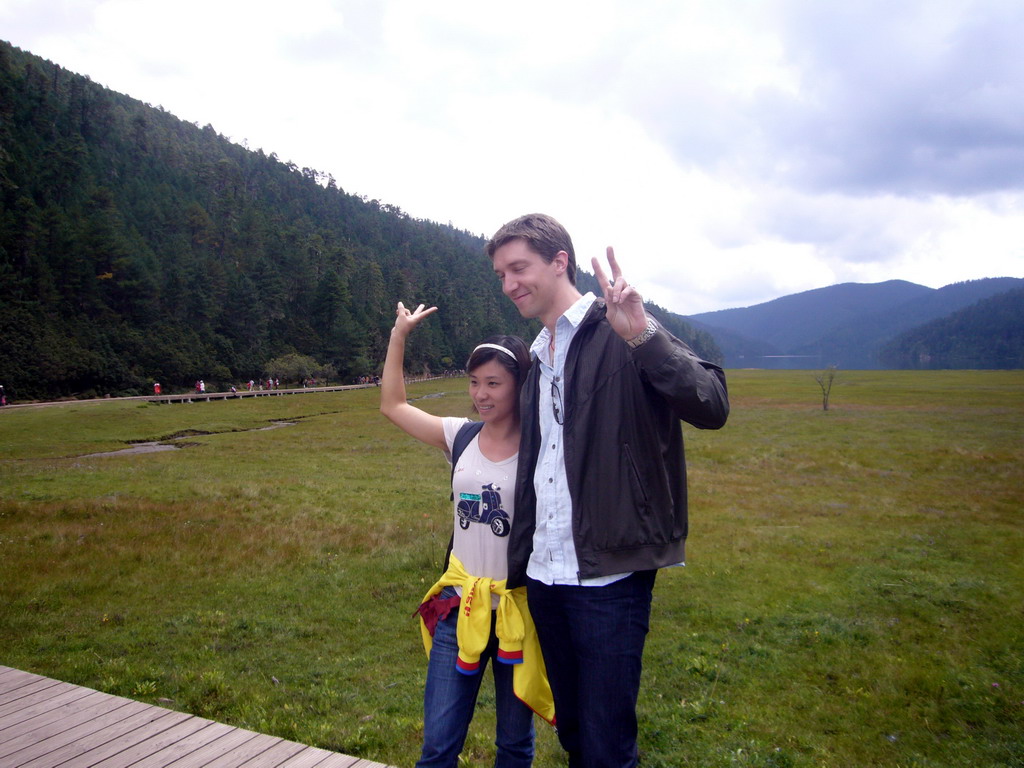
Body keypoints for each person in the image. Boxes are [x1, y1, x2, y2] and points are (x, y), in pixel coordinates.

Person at [487, 213, 730, 768]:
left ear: (559, 262)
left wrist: (643, 336)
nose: (509, 285)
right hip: (546, 574)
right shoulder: (537, 355)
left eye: (519, 268)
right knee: (573, 731)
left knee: (606, 743)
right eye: (501, 274)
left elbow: (711, 403)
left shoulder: (622, 327)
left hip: (609, 573)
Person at [380, 300, 554, 768]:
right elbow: (392, 405)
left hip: (518, 612)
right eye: (475, 382)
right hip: (460, 608)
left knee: (515, 745)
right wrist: (400, 335)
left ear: (521, 385)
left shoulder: (545, 450)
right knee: (438, 745)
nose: (481, 394)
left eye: (494, 383)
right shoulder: (460, 436)